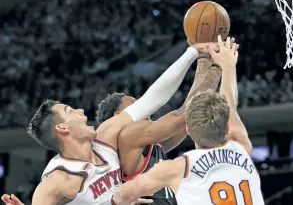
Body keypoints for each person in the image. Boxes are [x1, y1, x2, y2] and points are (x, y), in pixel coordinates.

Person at [2, 43, 218, 205]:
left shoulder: (105, 136)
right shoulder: (58, 179)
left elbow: (152, 99)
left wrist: (192, 52)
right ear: (62, 128)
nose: (81, 111)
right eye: (70, 111)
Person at [111, 36, 265, 205]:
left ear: (189, 131)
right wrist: (225, 65)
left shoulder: (177, 167)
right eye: (136, 111)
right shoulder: (241, 149)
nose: (145, 112)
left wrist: (206, 61)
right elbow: (228, 109)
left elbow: (120, 197)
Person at [94, 55, 223, 205]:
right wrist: (218, 67)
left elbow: (187, 117)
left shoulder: (146, 145)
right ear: (118, 116)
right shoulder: (129, 135)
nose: (145, 109)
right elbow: (186, 113)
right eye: (136, 106)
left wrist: (203, 60)